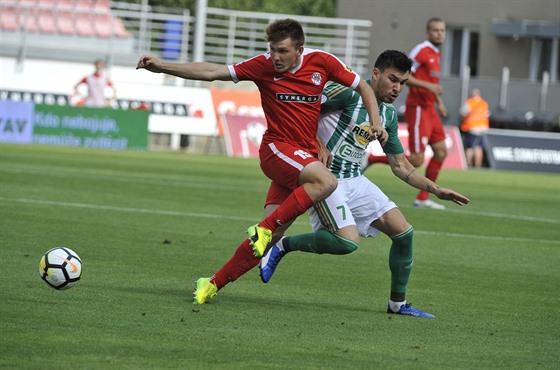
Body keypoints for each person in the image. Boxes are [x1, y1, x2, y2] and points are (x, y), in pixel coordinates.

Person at [191, 50, 470, 319]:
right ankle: (281, 246)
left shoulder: (388, 117)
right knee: (347, 243)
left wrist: (435, 189)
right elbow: (301, 114)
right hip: (323, 178)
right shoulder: (347, 93)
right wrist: (318, 143)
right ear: (375, 74)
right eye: (393, 79)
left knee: (404, 233)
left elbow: (402, 167)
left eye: (403, 83)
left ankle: (398, 304)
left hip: (355, 179)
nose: (398, 88)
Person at [136, 18, 388, 302]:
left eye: (282, 51)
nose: (275, 57)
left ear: (299, 50)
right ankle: (264, 230)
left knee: (269, 240)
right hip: (277, 150)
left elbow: (364, 88)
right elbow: (211, 72)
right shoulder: (262, 65)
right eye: (272, 50)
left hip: (303, 155)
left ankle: (212, 284)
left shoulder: (323, 62)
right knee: (325, 182)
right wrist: (161, 66)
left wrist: (376, 122)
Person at [403, 17, 448, 209]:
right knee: (417, 160)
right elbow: (405, 74)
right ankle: (371, 158)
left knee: (441, 151)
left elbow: (433, 84)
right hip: (419, 108)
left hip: (431, 110)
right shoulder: (421, 50)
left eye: (442, 30)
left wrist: (439, 102)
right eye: (436, 30)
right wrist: (428, 86)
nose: (440, 34)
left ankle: (422, 198)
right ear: (428, 32)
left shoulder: (435, 54)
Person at [460, 88, 490, 168]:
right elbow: (487, 114)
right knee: (479, 147)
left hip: (472, 128)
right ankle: (477, 165)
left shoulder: (470, 102)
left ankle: (468, 164)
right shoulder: (484, 103)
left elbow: (463, 113)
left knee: (470, 147)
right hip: (483, 128)